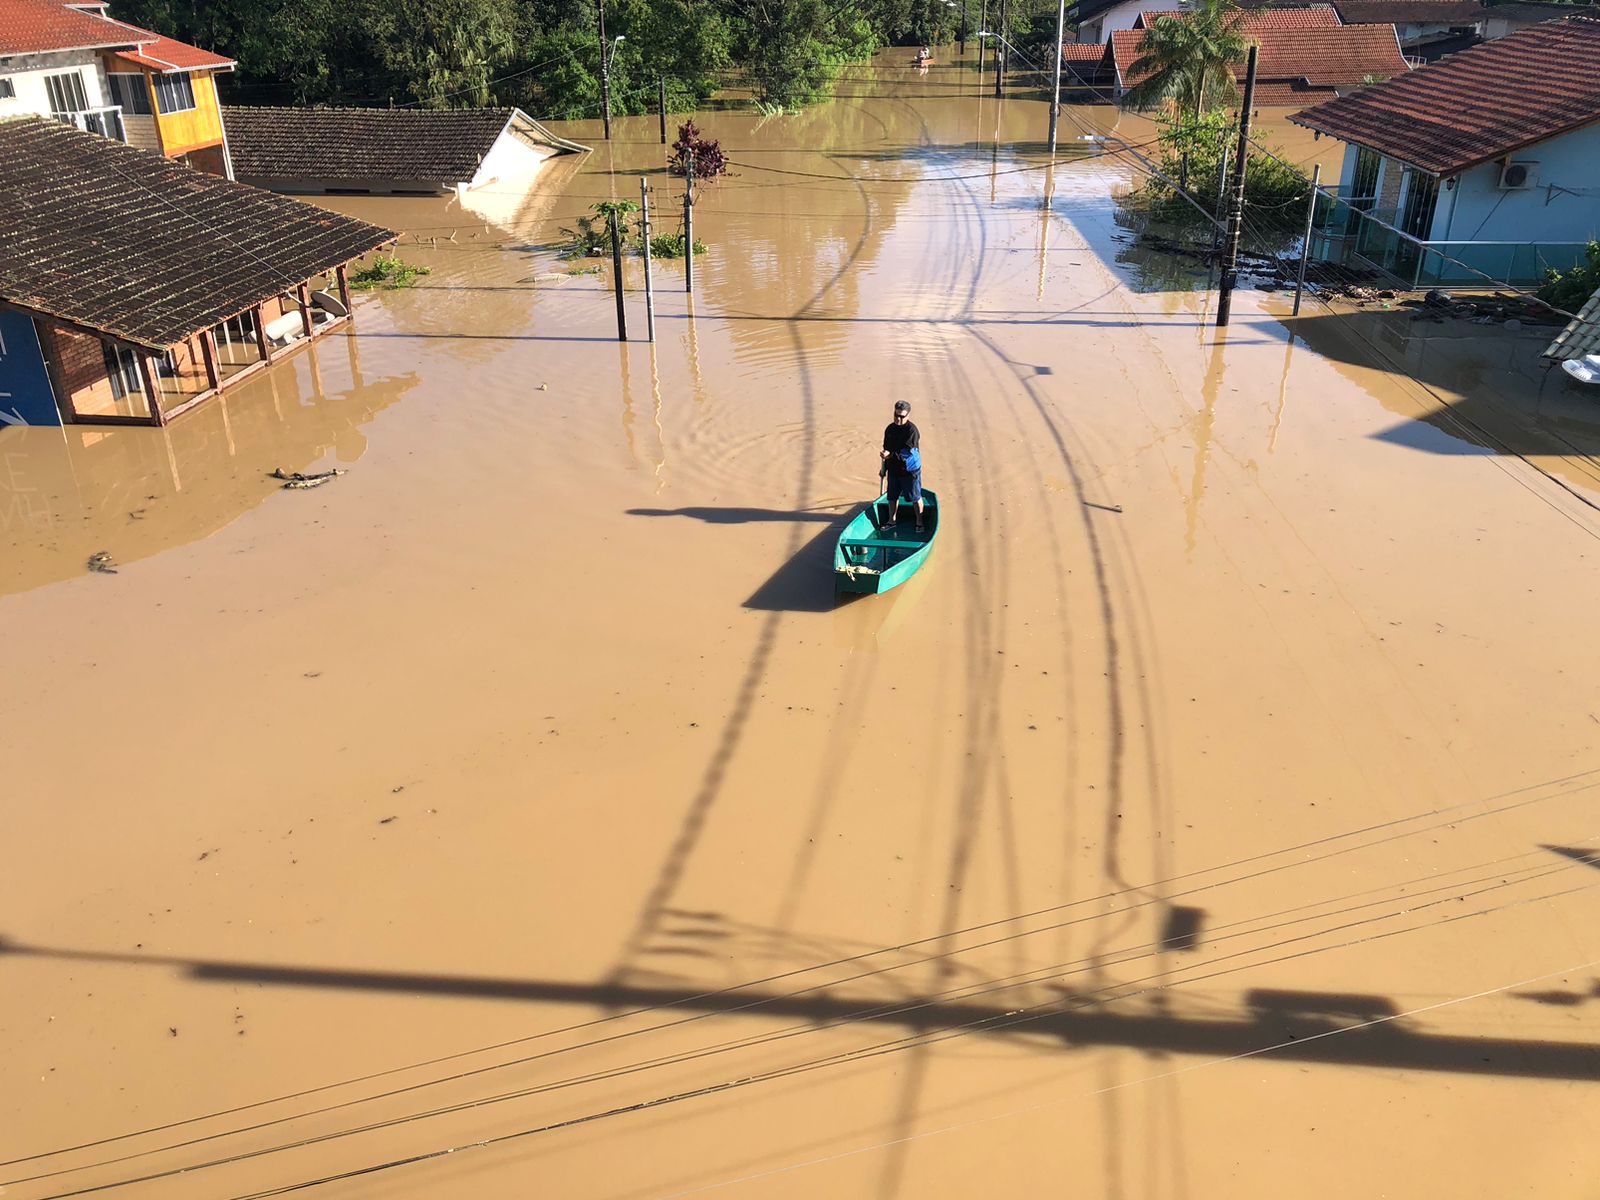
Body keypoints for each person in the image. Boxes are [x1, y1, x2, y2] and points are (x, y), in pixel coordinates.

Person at [880, 399, 924, 532]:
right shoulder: (890, 429)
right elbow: (886, 448)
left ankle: (919, 522)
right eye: (896, 415)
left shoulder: (912, 431)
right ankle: (891, 521)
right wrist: (884, 468)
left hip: (910, 469)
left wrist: (890, 455)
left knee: (915, 497)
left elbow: (907, 454)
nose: (898, 419)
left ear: (908, 416)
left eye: (902, 416)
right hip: (894, 469)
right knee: (892, 496)